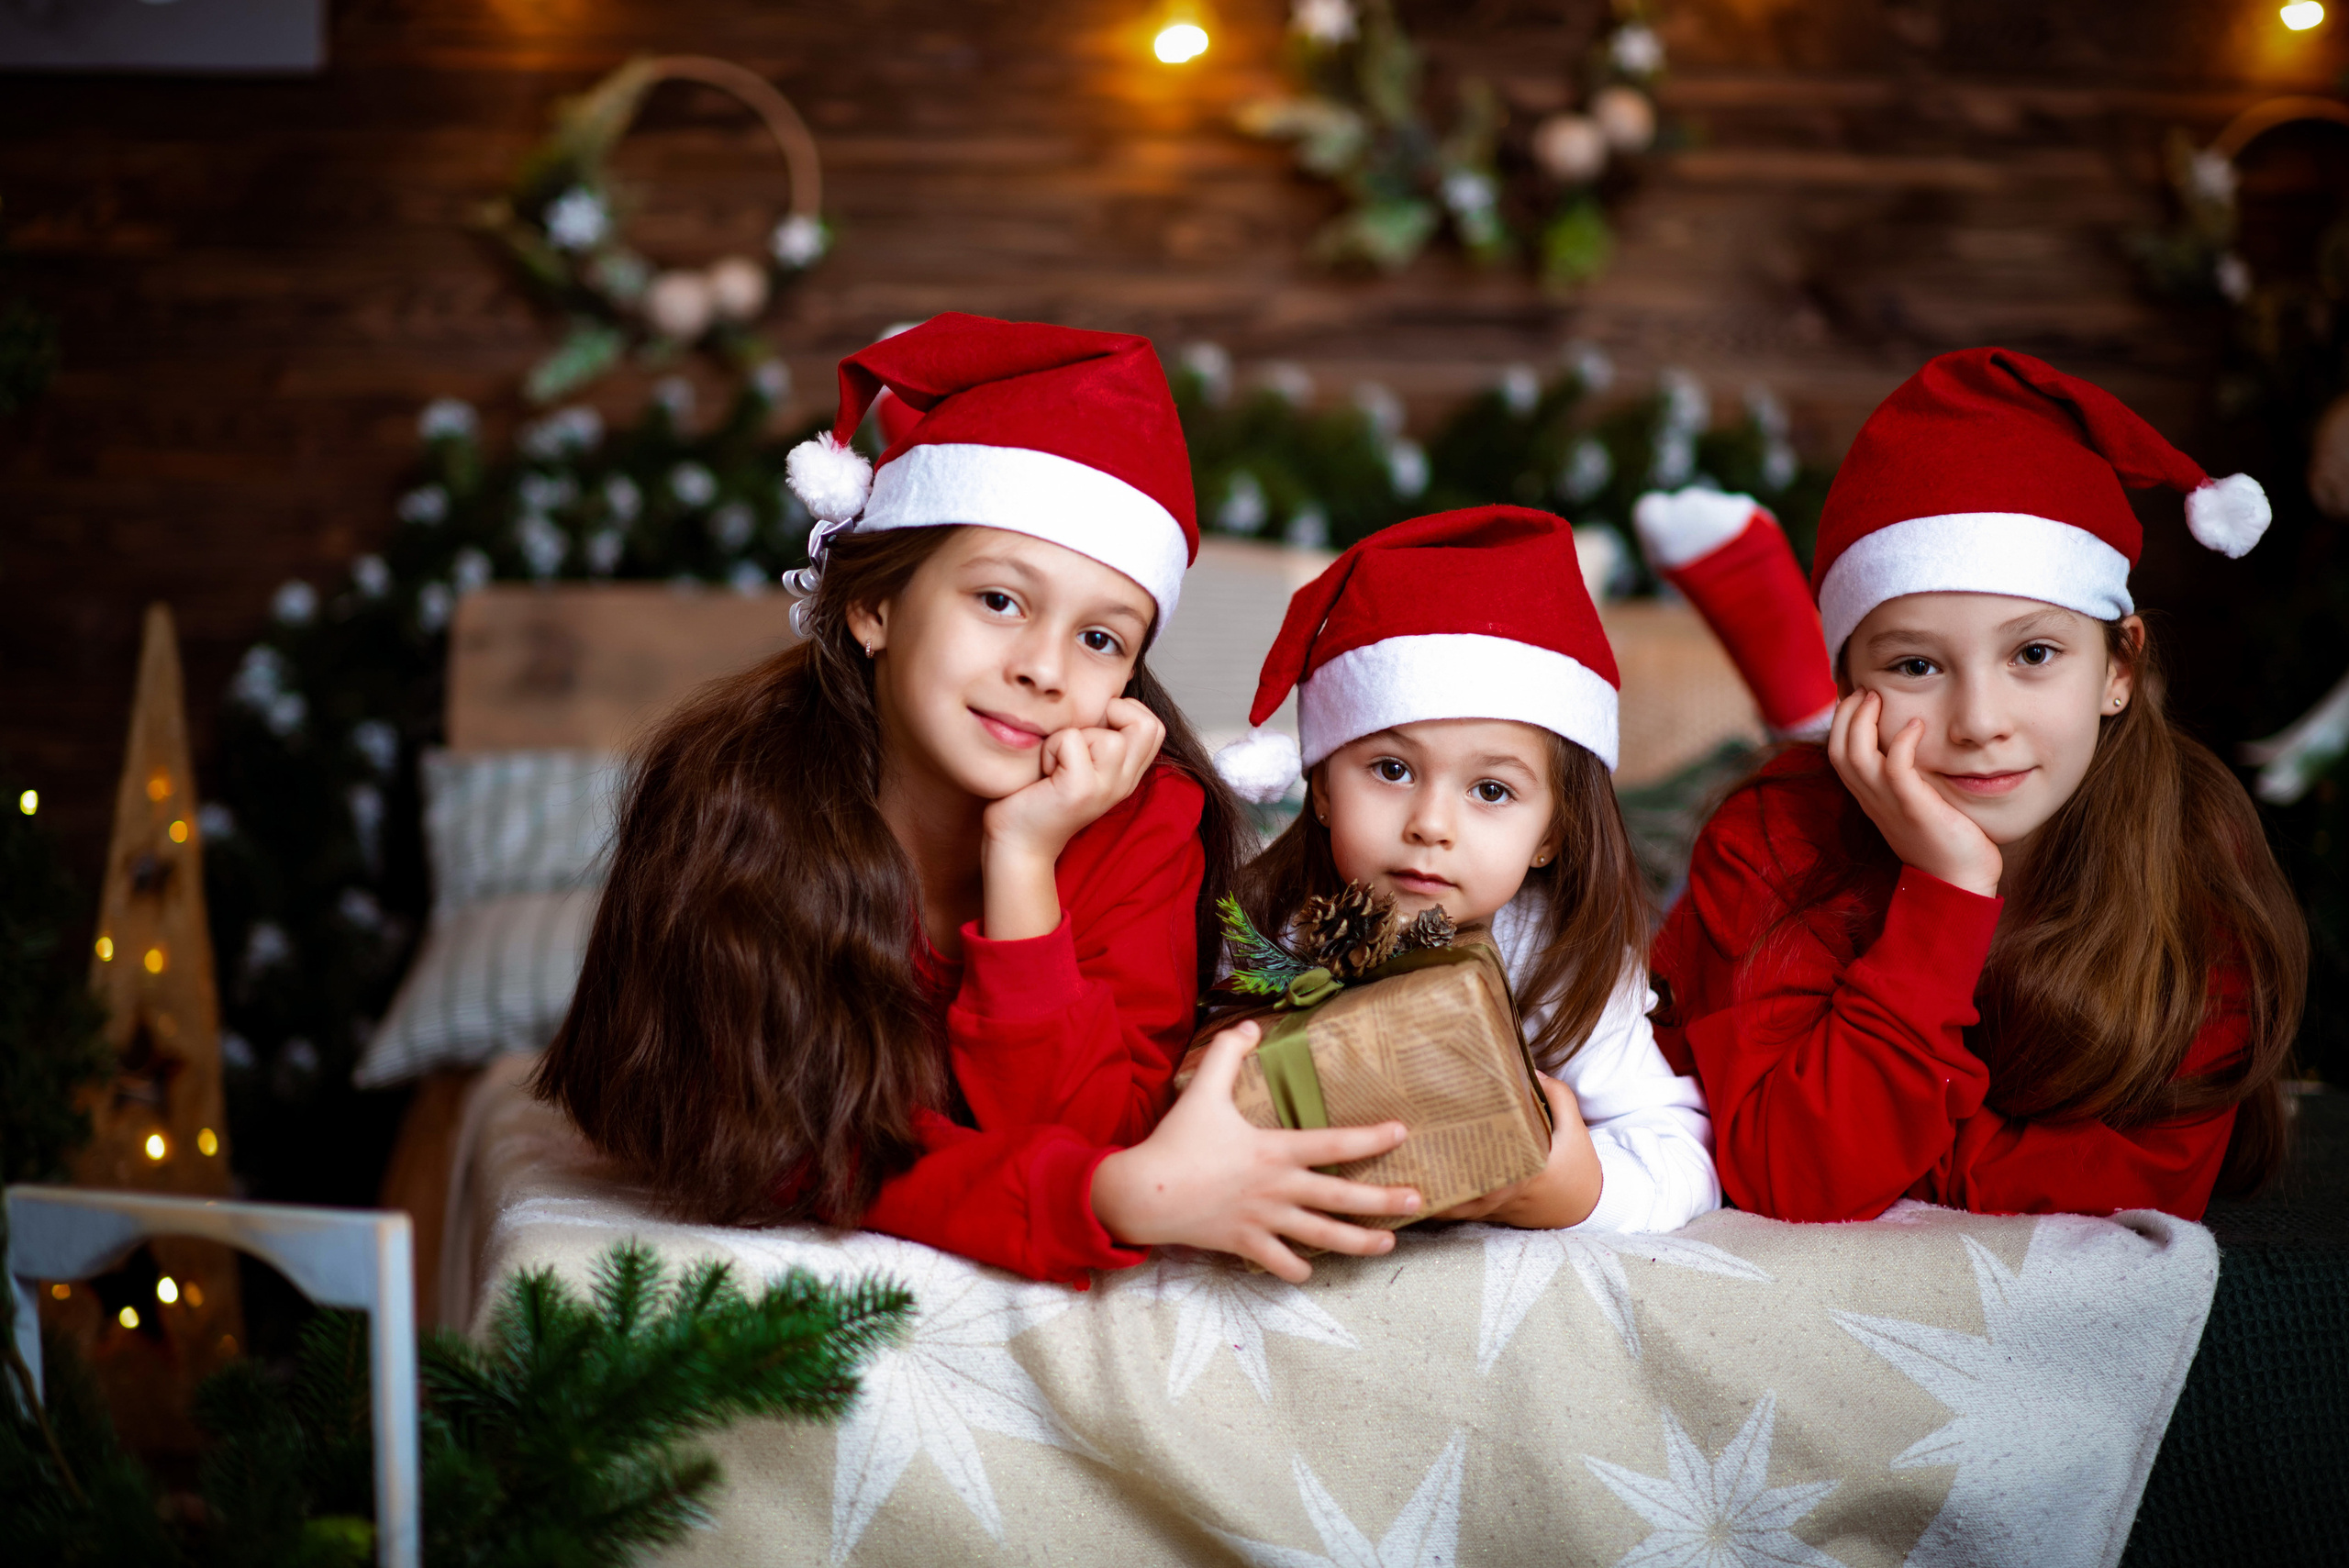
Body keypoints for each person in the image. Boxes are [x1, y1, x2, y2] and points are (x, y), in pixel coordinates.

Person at [537, 314, 1423, 1286]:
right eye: (999, 599)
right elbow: (768, 1141)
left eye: (1101, 639)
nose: (1043, 668)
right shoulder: (736, 796)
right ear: (874, 606)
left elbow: (1096, 1130)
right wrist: (1099, 1200)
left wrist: (1024, 864)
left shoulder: (1146, 823)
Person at [1650, 347, 2307, 1223]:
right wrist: (1947, 894)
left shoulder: (2191, 846)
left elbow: (2137, 1182)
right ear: (1852, 685)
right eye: (1918, 664)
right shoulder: (1771, 834)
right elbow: (1792, 1178)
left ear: (2120, 665)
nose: (1980, 721)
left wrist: (1914, 1161)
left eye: (2034, 654)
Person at [1212, 506, 1721, 1235]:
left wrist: (1578, 1190)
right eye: (1391, 769)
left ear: (1552, 831)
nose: (1431, 823)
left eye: (1491, 790)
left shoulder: (1559, 959)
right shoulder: (1261, 924)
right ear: (1321, 786)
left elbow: (1683, 1154)